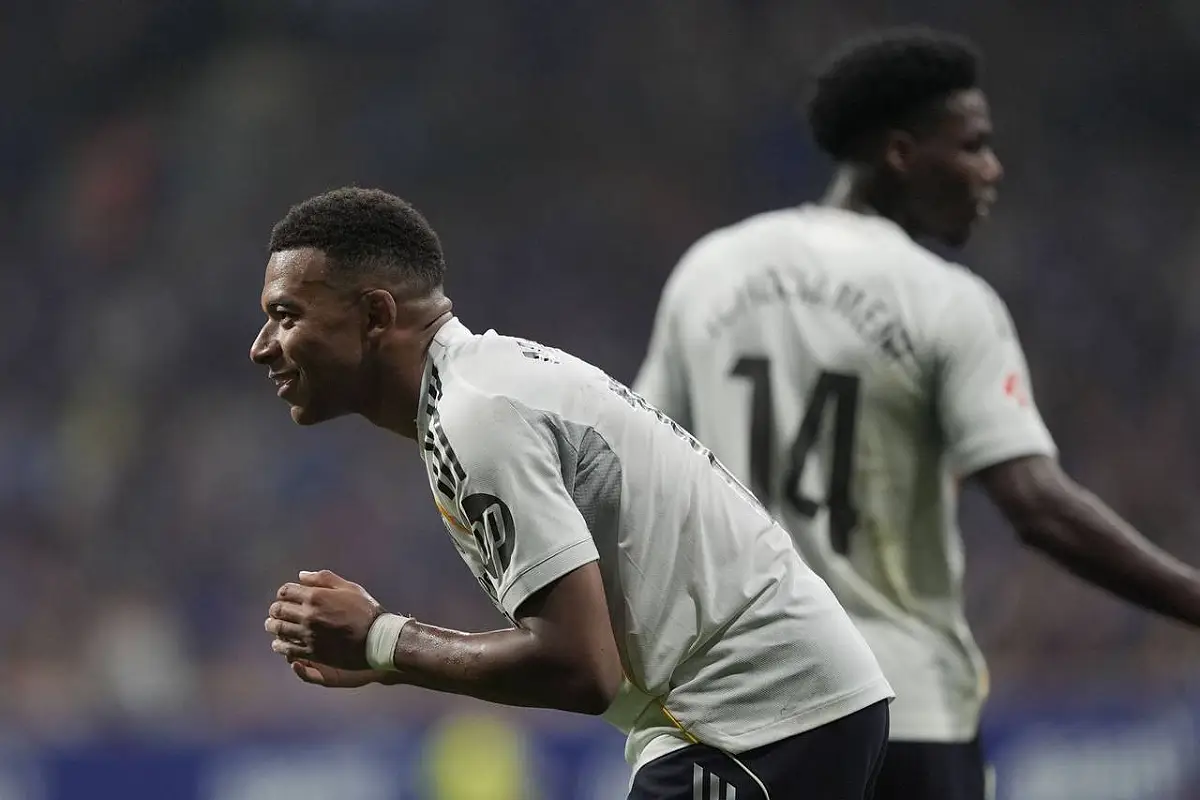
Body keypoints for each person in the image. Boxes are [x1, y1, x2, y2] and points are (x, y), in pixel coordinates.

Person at [633, 26, 1200, 800]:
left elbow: (643, 477)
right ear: (901, 153)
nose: (992, 171)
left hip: (740, 712)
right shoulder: (946, 299)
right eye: (973, 146)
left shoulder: (710, 270)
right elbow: (1036, 506)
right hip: (902, 709)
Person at [252, 187, 895, 798]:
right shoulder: (481, 388)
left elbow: (583, 668)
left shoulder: (476, 416)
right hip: (778, 713)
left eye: (286, 316)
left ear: (375, 315)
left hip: (753, 722)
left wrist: (383, 639)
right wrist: (389, 657)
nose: (262, 348)